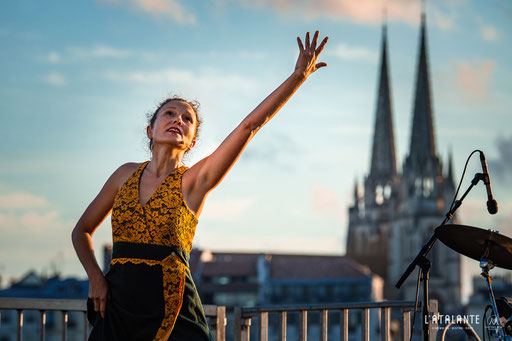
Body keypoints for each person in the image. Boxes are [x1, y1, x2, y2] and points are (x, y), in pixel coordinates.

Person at [71, 30, 328, 341]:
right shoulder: (123, 175)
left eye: (187, 118)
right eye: (169, 113)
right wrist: (96, 278)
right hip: (118, 307)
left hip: (171, 310)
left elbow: (249, 126)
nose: (178, 119)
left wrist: (297, 77)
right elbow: (82, 230)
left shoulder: (193, 182)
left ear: (191, 142)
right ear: (151, 129)